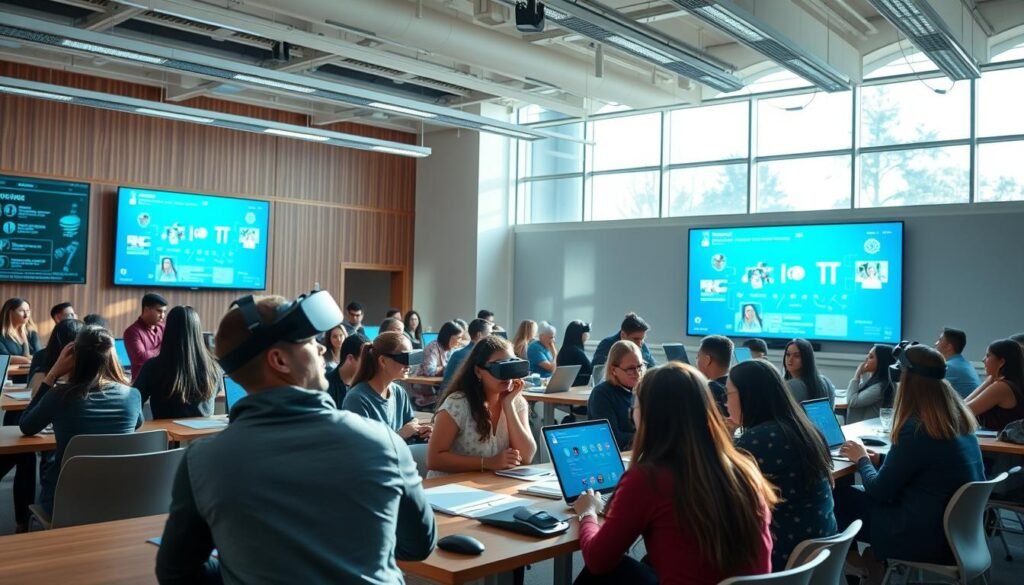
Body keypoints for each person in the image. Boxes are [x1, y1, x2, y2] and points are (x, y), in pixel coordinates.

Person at [155, 291, 436, 584]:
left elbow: (176, 574)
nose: (322, 350)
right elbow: (418, 546)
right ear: (279, 360)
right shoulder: (383, 442)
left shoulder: (202, 462)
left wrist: (238, 569)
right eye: (310, 341)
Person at [573, 362, 774, 584]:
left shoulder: (648, 479)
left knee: (601, 573)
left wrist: (588, 512)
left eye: (636, 406)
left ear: (649, 414)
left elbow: (597, 560)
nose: (632, 413)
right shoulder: (744, 469)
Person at [836, 345, 984, 577]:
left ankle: (862, 569)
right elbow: (925, 466)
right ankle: (871, 565)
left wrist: (862, 459)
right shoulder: (959, 423)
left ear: (906, 380)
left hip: (920, 535)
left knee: (838, 497)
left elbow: (880, 491)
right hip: (957, 535)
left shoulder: (915, 429)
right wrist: (881, 459)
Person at [20, 326, 144, 517]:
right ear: (112, 356)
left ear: (74, 357)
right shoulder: (132, 395)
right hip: (120, 497)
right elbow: (137, 424)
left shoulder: (59, 395)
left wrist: (52, 374)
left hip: (65, 500)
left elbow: (26, 426)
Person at [727, 360, 837, 570]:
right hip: (819, 554)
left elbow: (724, 500)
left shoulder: (757, 441)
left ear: (747, 396)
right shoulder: (807, 429)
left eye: (728, 394)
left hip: (783, 558)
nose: (725, 403)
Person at [427, 336, 536, 476]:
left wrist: (508, 405)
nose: (506, 376)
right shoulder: (458, 404)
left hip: (490, 487)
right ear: (478, 371)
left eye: (510, 365)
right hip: (450, 488)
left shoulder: (516, 402)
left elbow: (527, 456)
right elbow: (434, 459)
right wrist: (487, 462)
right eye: (499, 366)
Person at [132, 306, 221, 419]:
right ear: (198, 332)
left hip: (165, 436)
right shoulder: (214, 367)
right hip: (206, 435)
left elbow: (133, 403)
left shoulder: (152, 367)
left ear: (168, 331)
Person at [342, 332, 432, 443]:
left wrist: (419, 430)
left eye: (411, 357)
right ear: (383, 361)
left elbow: (410, 421)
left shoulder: (399, 392)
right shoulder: (357, 399)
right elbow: (362, 447)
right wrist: (400, 435)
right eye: (404, 358)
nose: (408, 365)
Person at [587, 341, 643, 451]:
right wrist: (649, 440)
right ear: (613, 370)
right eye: (630, 369)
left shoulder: (644, 390)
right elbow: (611, 437)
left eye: (640, 367)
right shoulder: (602, 394)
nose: (637, 373)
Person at [965, 339, 1024, 431]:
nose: (983, 359)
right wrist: (989, 380)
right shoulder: (1009, 383)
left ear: (1001, 362)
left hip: (998, 444)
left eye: (988, 355)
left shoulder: (1002, 387)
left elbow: (964, 411)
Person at [411, 320, 464, 408]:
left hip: (439, 389)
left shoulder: (451, 349)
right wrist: (447, 368)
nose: (460, 341)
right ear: (449, 337)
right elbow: (429, 371)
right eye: (458, 337)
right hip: (426, 393)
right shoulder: (433, 347)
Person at [844, 344, 896, 424]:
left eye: (871, 357)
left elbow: (852, 401)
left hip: (865, 431)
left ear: (881, 362)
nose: (866, 359)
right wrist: (863, 374)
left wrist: (857, 375)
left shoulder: (880, 387)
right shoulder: (877, 382)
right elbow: (859, 392)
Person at [122, 292, 168, 382]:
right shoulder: (132, 332)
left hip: (163, 382)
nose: (162, 316)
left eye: (164, 312)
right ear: (146, 310)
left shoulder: (163, 327)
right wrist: (165, 348)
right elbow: (141, 358)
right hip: (142, 385)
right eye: (159, 311)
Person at [442, 318, 493, 389]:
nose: (492, 337)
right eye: (490, 333)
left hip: (447, 396)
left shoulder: (457, 354)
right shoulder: (477, 356)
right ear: (479, 334)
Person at [784, 338, 835, 409]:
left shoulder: (790, 386)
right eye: (788, 354)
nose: (790, 359)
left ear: (806, 359)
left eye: (797, 356)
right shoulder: (826, 381)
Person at [592, 312, 656, 369]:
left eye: (642, 339)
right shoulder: (607, 344)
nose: (639, 344)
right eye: (635, 339)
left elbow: (652, 369)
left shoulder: (642, 344)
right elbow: (598, 371)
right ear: (623, 335)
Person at [935, 328, 981, 399]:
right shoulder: (965, 364)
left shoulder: (949, 367)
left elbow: (929, 390)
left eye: (940, 340)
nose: (936, 343)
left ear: (949, 347)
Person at [326, 334, 369, 407]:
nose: (369, 365)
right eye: (365, 360)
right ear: (350, 358)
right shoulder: (326, 386)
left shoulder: (368, 385)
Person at [696, 335, 732, 414]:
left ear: (707, 360)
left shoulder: (708, 390)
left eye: (698, 357)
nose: (696, 361)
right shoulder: (735, 386)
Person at [0, 297, 41, 366]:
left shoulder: (31, 333)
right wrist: (27, 359)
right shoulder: (2, 335)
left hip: (31, 374)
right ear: (10, 312)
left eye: (28, 311)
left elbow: (39, 356)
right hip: (9, 375)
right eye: (21, 311)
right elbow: (4, 358)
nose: (26, 315)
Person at [557, 320, 593, 387]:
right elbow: (591, 370)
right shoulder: (576, 352)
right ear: (578, 334)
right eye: (585, 333)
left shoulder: (566, 349)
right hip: (576, 389)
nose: (587, 335)